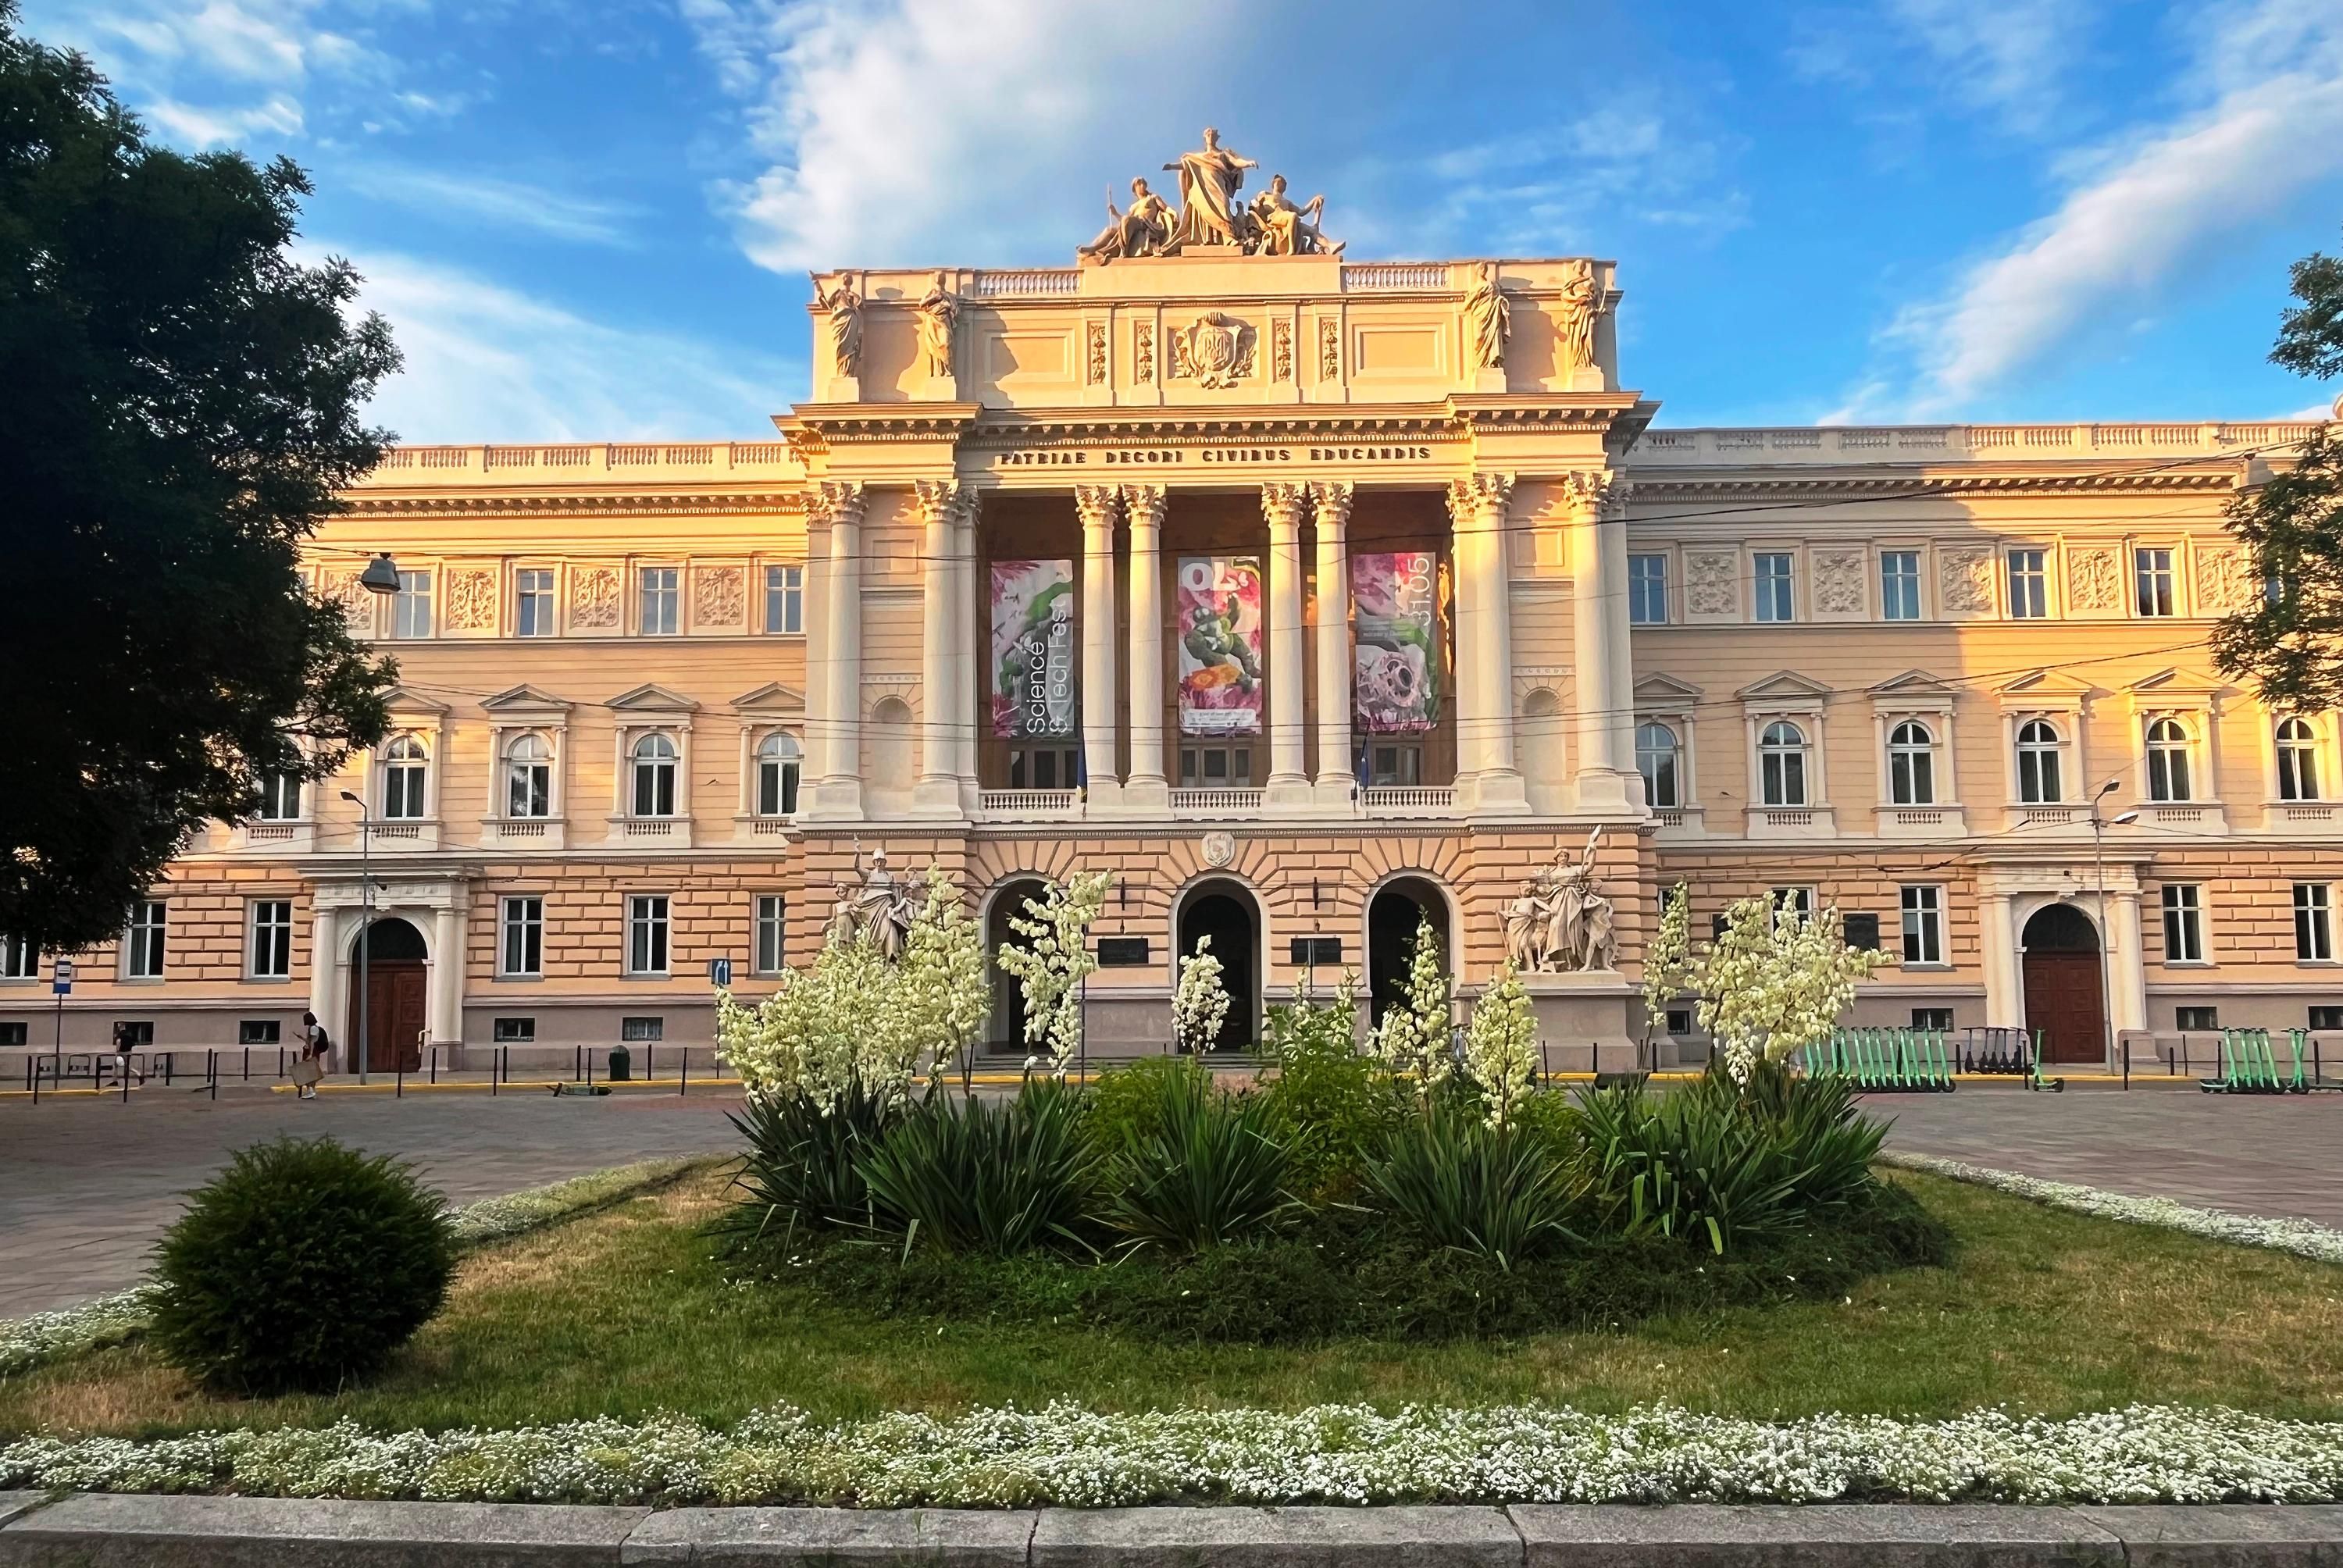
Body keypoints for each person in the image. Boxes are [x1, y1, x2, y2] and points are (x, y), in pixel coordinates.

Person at [294, 1010, 329, 1099]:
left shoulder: (313, 1028)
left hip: (312, 1052)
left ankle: (311, 1091)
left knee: (309, 1072)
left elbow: (312, 1042)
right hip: (311, 1051)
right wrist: (301, 1038)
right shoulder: (312, 1028)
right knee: (309, 1072)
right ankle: (311, 1091)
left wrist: (310, 1054)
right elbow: (309, 1041)